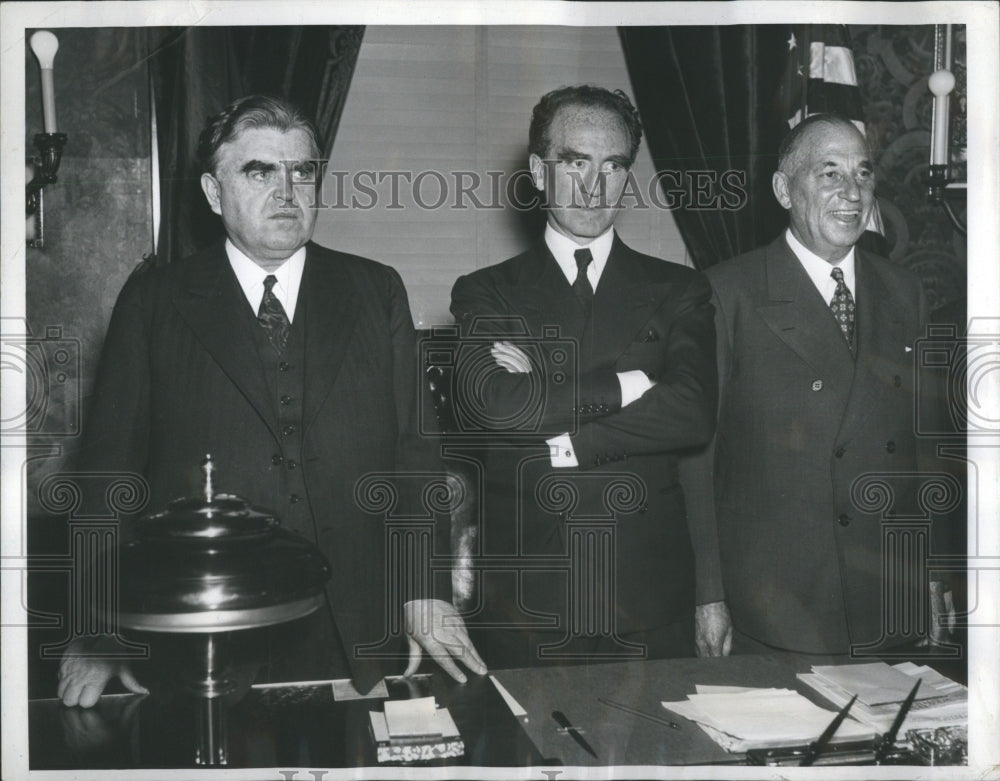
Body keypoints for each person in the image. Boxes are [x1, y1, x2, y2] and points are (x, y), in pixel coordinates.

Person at [57, 95, 485, 708]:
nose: (287, 190)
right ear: (213, 191)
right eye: (260, 171)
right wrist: (96, 629)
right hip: (206, 628)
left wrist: (424, 589)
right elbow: (105, 477)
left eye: (302, 171)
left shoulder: (375, 289)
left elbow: (412, 455)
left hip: (360, 625)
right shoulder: (155, 302)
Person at [449, 85, 717, 668]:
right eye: (575, 163)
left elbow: (692, 411)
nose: (595, 186)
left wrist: (566, 436)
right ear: (539, 172)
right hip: (529, 598)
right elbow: (497, 405)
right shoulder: (485, 290)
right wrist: (632, 385)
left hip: (650, 597)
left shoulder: (680, 289)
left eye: (613, 165)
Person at [682, 113, 955, 657]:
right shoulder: (726, 292)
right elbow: (698, 459)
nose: (852, 193)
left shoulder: (904, 290)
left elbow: (928, 447)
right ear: (784, 188)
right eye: (829, 173)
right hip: (778, 601)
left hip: (886, 591)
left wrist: (934, 569)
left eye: (863, 173)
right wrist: (708, 594)